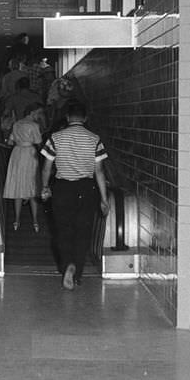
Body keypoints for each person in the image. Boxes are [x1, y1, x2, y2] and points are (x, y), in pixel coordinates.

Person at [40, 100, 109, 290]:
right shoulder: (94, 139)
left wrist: (45, 187)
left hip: (62, 188)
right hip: (87, 189)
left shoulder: (56, 137)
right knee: (83, 231)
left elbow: (47, 167)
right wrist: (104, 199)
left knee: (63, 230)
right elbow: (100, 171)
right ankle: (77, 272)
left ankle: (67, 264)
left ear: (68, 117)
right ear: (85, 118)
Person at [2, 100, 45, 232]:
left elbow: (10, 141)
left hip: (17, 153)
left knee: (18, 186)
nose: (40, 116)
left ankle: (16, 220)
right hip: (29, 154)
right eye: (39, 113)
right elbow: (39, 142)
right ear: (32, 112)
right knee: (32, 185)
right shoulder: (34, 126)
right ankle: (36, 222)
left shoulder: (17, 124)